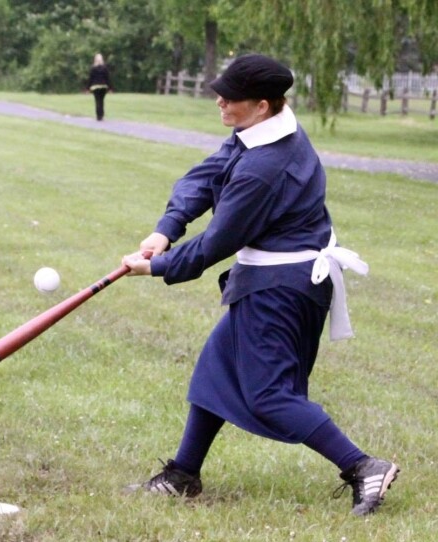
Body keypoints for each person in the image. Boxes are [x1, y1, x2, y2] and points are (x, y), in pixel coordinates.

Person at [120, 54, 399, 516]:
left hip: (282, 286)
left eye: (231, 98)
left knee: (269, 394)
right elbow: (209, 175)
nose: (220, 101)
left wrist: (157, 266)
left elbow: (217, 242)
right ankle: (184, 474)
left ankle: (363, 466)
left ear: (264, 104)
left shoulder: (265, 168)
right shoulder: (266, 131)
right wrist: (166, 228)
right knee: (215, 369)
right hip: (271, 278)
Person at [86, 54, 112, 121]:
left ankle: (98, 116)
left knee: (97, 101)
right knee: (102, 101)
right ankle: (102, 115)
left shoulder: (93, 68)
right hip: (103, 86)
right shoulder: (104, 68)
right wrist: (110, 88)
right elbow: (107, 78)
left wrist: (87, 88)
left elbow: (90, 79)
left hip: (95, 87)